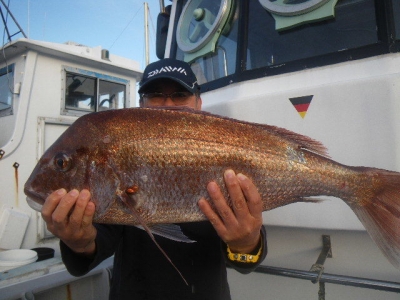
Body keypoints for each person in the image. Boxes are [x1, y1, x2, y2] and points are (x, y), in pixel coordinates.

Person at [42, 58, 267, 300]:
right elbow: (95, 244)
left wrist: (245, 245)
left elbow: (245, 261)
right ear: (141, 104)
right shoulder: (122, 150)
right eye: (155, 94)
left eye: (180, 94)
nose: (168, 104)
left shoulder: (224, 150)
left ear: (198, 103)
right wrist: (80, 243)